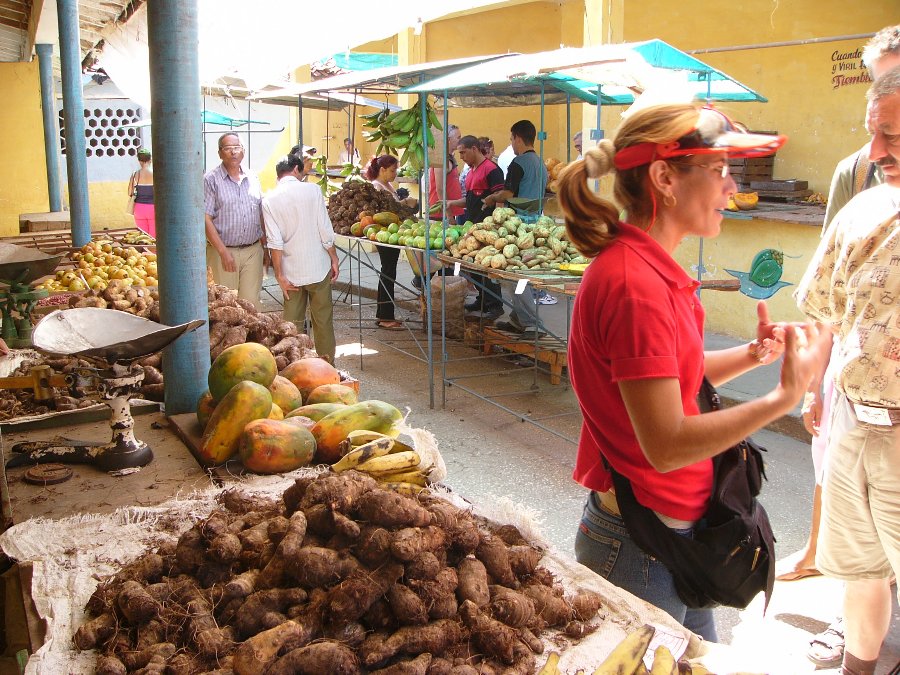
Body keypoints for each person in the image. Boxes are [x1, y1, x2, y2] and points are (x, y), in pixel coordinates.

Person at [555, 103, 824, 642]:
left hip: (669, 540)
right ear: (664, 178)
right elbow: (665, 441)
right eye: (721, 169)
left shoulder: (649, 268)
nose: (732, 188)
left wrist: (753, 355)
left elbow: (677, 377)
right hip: (641, 548)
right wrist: (781, 398)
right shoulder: (636, 285)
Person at [776, 26, 900, 670]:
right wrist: (812, 385)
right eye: (873, 131)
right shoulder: (862, 206)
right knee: (859, 565)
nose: (875, 151)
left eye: (894, 138)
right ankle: (858, 663)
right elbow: (828, 310)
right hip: (855, 418)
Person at [262, 154, 340, 364]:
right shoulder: (312, 190)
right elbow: (325, 230)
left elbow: (274, 242)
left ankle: (292, 366)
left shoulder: (269, 199)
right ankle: (326, 365)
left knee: (291, 325)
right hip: (318, 267)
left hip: (291, 272)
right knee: (322, 321)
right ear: (296, 170)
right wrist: (334, 257)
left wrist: (279, 274)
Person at [483, 120, 552, 333]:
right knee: (523, 276)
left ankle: (532, 323)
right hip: (536, 226)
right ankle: (517, 319)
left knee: (516, 278)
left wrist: (491, 198)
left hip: (517, 227)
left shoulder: (518, 163)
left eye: (511, 138)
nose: (511, 143)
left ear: (518, 138)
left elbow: (508, 194)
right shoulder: (540, 163)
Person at [204, 132, 268, 308]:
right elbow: (205, 219)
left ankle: (250, 337)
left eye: (237, 147)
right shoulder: (211, 180)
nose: (233, 152)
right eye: (228, 148)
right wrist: (223, 252)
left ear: (243, 151)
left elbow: (260, 213)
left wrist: (265, 247)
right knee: (226, 305)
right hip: (223, 251)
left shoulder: (253, 177)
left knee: (250, 304)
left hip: (252, 250)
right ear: (219, 153)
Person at [454, 135, 505, 319]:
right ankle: (482, 300)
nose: (461, 157)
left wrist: (496, 225)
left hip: (489, 230)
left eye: (463, 152)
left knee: (487, 268)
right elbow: (469, 201)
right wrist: (450, 202)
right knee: (474, 267)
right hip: (473, 228)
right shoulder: (470, 171)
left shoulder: (492, 170)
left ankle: (495, 305)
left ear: (474, 148)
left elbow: (500, 198)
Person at [366, 155, 416, 330]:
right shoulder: (377, 187)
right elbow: (385, 212)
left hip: (392, 234)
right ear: (382, 170)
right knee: (387, 273)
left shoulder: (387, 186)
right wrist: (404, 204)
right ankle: (385, 316)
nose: (395, 174)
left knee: (389, 272)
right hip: (385, 235)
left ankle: (384, 314)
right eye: (393, 170)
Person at [129, 147, 155, 237]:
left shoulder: (135, 174)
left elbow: (130, 192)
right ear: (150, 159)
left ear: (139, 161)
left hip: (139, 209)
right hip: (153, 208)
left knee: (143, 237)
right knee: (154, 237)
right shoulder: (155, 174)